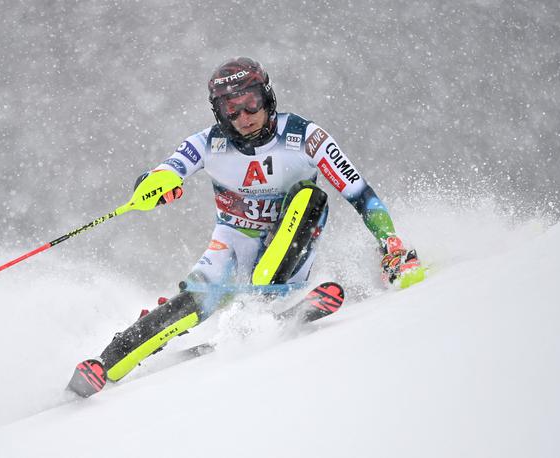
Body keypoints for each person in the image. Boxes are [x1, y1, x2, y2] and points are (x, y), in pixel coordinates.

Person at [90, 57, 423, 386]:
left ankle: (257, 304)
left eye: (251, 102)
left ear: (267, 97)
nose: (244, 117)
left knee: (309, 197)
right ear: (218, 112)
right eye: (230, 110)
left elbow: (360, 193)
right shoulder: (208, 143)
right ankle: (107, 363)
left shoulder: (305, 136)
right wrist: (156, 187)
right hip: (232, 243)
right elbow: (166, 170)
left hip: (292, 242)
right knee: (193, 302)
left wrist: (390, 243)